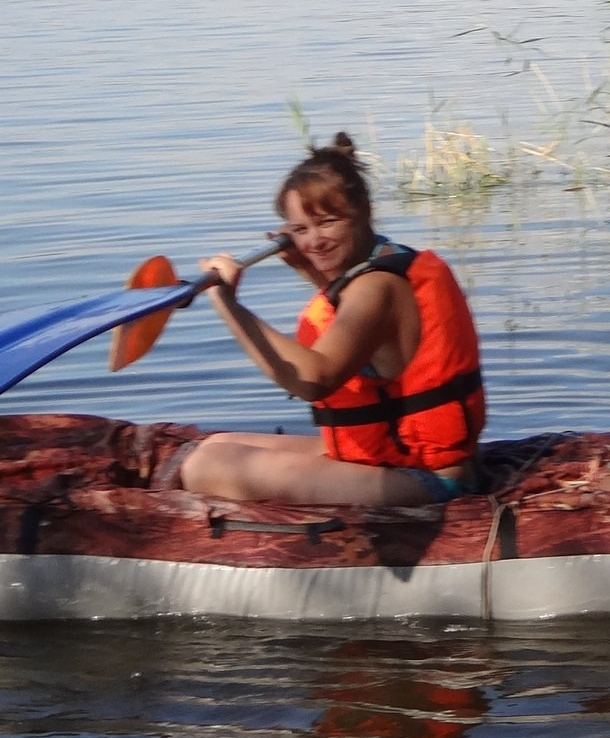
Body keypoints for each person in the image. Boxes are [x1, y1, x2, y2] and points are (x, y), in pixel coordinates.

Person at [177, 135, 486, 507]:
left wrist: (227, 302)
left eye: (327, 222)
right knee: (217, 444)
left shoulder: (377, 288)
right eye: (301, 230)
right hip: (399, 459)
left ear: (363, 213)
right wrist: (315, 275)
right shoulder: (384, 262)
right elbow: (360, 327)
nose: (314, 241)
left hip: (426, 481)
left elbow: (314, 380)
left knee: (205, 466)